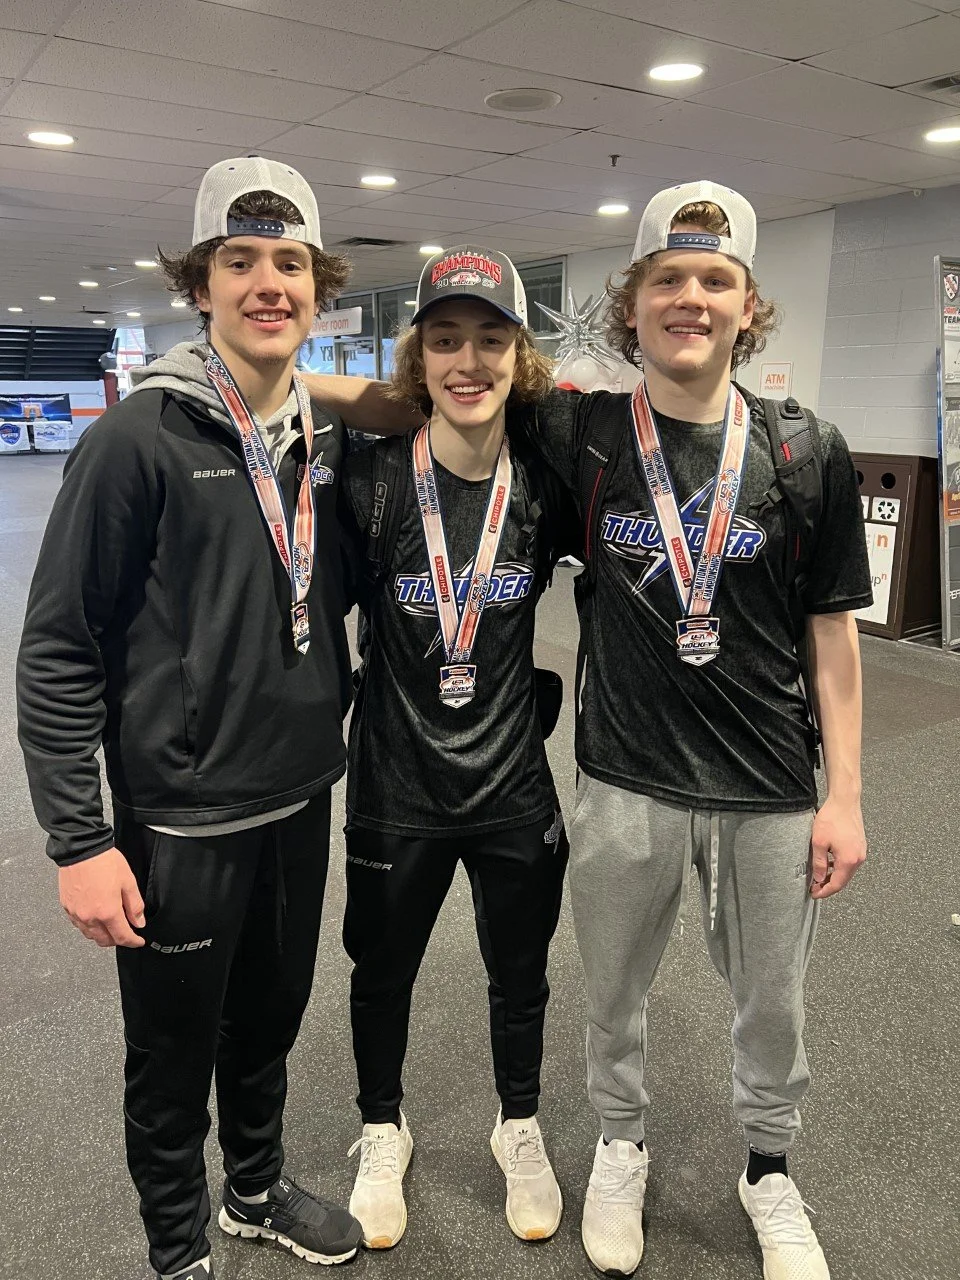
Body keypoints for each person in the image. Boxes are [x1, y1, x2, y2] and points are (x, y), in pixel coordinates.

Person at [16, 156, 365, 1280]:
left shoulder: (324, 439)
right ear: (200, 282)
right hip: (182, 818)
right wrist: (79, 840)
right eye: (240, 260)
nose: (269, 283)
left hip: (300, 795)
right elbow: (59, 646)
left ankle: (253, 1188)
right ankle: (177, 1249)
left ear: (317, 285)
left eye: (290, 262)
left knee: (269, 1021)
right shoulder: (137, 440)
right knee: (170, 1055)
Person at [527, 181, 872, 1279]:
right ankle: (619, 1143)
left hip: (769, 783)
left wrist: (847, 794)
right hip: (626, 773)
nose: (691, 297)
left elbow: (832, 636)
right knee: (612, 989)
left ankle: (768, 1167)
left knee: (773, 1001)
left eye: (715, 280)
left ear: (747, 304)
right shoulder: (583, 434)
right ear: (631, 304)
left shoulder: (805, 448)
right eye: (668, 278)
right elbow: (438, 392)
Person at [337, 247, 570, 1250]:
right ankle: (381, 1126)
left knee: (521, 973)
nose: (467, 361)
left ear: (519, 354)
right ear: (418, 358)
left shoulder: (547, 480)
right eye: (444, 340)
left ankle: (519, 1123)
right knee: (380, 971)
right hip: (396, 785)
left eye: (489, 339)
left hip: (513, 783)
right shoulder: (371, 479)